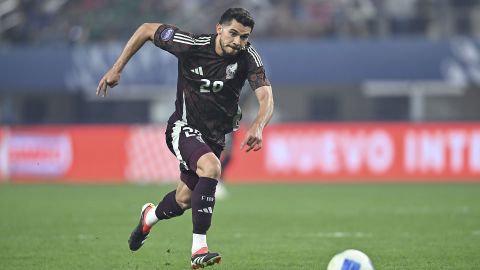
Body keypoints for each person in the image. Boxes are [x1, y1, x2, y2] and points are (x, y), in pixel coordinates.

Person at [96, 7, 274, 269]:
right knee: (212, 168)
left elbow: (266, 96)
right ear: (219, 29)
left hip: (214, 137)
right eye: (233, 33)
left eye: (244, 37)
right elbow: (146, 29)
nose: (238, 41)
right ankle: (198, 249)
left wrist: (259, 124)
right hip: (183, 127)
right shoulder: (190, 44)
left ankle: (150, 217)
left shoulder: (248, 57)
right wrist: (116, 68)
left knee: (184, 200)